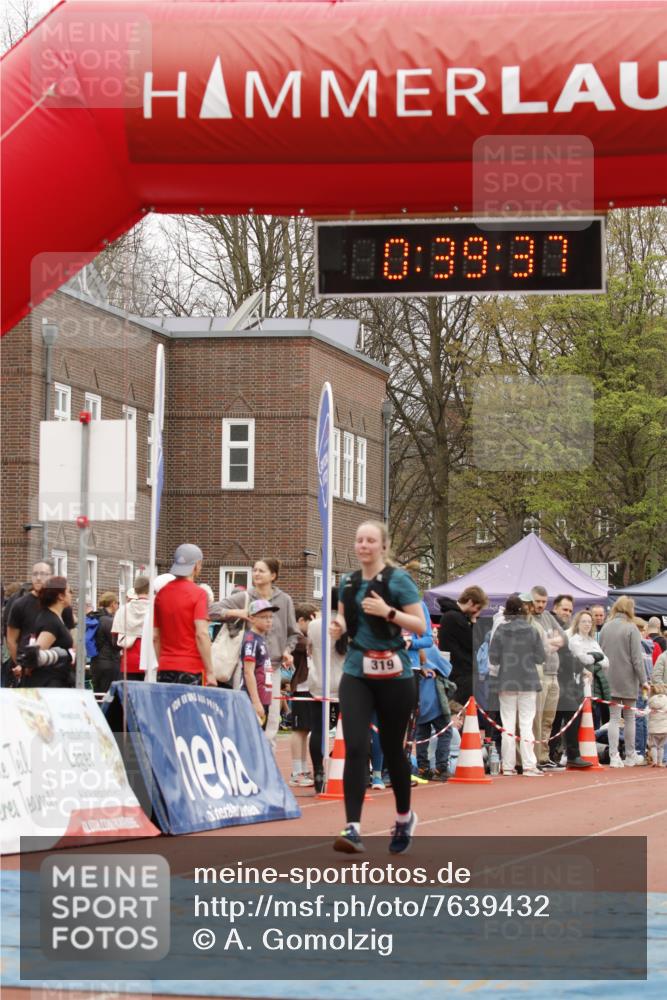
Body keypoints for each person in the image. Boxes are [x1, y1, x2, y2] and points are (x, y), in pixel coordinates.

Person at [330, 520, 426, 855]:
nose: (364, 546)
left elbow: (419, 624)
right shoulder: (348, 581)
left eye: (370, 540)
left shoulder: (398, 581)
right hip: (358, 670)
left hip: (395, 674)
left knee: (392, 750)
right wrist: (337, 625)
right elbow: (344, 618)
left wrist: (388, 612)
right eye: (359, 540)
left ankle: (403, 817)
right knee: (355, 746)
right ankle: (353, 827)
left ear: (383, 546)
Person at [210, 558, 298, 747]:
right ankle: (242, 759)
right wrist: (237, 613)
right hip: (245, 666)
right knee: (244, 713)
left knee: (272, 719)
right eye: (255, 570)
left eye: (261, 571)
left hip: (271, 668)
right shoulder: (245, 597)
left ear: (273, 576)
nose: (256, 574)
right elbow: (210, 610)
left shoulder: (284, 600)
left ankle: (268, 765)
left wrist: (287, 650)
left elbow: (293, 633)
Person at [489, 594, 545, 777]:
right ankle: (529, 765)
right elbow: (540, 657)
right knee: (527, 723)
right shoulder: (531, 630)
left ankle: (507, 766)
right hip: (528, 679)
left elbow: (493, 657)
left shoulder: (501, 630)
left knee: (507, 725)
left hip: (506, 679)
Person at [153, 544, 216, 686]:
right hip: (191, 667)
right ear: (197, 565)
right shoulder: (199, 594)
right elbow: (202, 634)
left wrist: (162, 662)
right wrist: (210, 671)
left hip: (165, 666)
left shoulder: (161, 594)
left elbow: (156, 637)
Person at [6, 561, 75, 685]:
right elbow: (11, 639)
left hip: (57, 671)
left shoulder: (63, 609)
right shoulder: (20, 604)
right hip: (39, 674)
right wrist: (21, 665)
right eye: (35, 574)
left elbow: (68, 637)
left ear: (51, 577)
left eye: (43, 574)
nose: (38, 578)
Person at [599, 596, 646, 768]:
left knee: (613, 718)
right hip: (627, 679)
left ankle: (613, 755)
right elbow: (637, 659)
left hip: (609, 677)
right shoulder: (631, 628)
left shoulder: (605, 627)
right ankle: (630, 755)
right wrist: (644, 680)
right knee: (629, 718)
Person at [547, 597, 593, 770]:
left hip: (563, 679)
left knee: (555, 718)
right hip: (556, 678)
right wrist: (580, 667)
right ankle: (572, 754)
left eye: (569, 610)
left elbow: (567, 654)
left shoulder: (563, 628)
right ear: (556, 608)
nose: (567, 613)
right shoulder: (554, 627)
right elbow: (564, 655)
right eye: (564, 609)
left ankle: (551, 754)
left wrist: (581, 668)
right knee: (570, 713)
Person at [307, 588, 345, 793]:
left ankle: (319, 771)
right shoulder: (348, 626)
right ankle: (351, 772)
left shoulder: (314, 625)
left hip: (319, 681)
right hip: (345, 683)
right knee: (349, 730)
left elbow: (310, 649)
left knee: (318, 729)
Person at [530, 585, 566, 768]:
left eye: (544, 602)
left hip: (554, 674)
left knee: (549, 719)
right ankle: (534, 756)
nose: (541, 605)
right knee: (537, 716)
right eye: (538, 601)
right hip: (540, 674)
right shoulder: (529, 619)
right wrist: (551, 643)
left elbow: (563, 639)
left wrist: (549, 643)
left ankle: (544, 755)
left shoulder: (548, 617)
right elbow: (538, 646)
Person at [436, 585, 488, 704]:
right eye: (478, 608)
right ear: (470, 602)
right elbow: (475, 643)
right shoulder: (455, 618)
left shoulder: (452, 616)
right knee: (462, 711)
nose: (477, 613)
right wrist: (474, 621)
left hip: (455, 671)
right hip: (461, 673)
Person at [22, 576, 75, 688]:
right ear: (61, 596)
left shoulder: (56, 617)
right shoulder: (51, 621)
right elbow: (36, 653)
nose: (72, 594)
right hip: (49, 682)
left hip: (57, 679)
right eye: (69, 591)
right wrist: (27, 668)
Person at [288, 603, 319, 786]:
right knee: (299, 730)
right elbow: (311, 644)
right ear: (301, 620)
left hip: (311, 687)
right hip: (300, 687)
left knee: (306, 729)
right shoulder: (297, 638)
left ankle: (303, 768)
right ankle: (296, 771)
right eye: (312, 622)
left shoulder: (305, 637)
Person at [415, 647, 455, 781]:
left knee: (421, 735)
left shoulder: (409, 649)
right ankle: (441, 767)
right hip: (433, 699)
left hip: (417, 698)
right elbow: (447, 668)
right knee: (445, 731)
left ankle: (423, 768)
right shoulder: (430, 649)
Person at [569, 609, 610, 731]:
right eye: (584, 621)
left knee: (595, 718)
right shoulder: (574, 640)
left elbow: (606, 662)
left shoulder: (593, 641)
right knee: (580, 719)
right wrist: (596, 658)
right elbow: (583, 660)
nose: (587, 624)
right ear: (578, 623)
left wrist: (592, 658)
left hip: (596, 686)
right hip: (579, 685)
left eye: (589, 622)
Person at [241, 599, 279, 727]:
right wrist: (256, 702)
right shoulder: (251, 641)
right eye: (263, 617)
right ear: (252, 618)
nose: (269, 620)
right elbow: (248, 672)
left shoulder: (261, 639)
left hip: (264, 697)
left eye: (270, 617)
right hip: (254, 699)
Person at [111, 575, 150, 679]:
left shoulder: (123, 610)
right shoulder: (155, 609)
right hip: (150, 660)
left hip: (128, 661)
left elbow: (114, 640)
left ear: (135, 589)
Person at [87, 592, 120, 693]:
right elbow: (116, 643)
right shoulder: (109, 621)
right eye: (117, 603)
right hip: (109, 663)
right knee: (107, 696)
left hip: (95, 662)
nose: (118, 605)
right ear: (112, 604)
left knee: (97, 694)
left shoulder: (95, 617)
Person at [646, 682, 667, 766]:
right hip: (665, 729)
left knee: (654, 746)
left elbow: (644, 712)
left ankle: (654, 762)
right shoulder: (666, 700)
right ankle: (660, 762)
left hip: (653, 729)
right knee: (661, 746)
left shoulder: (650, 702)